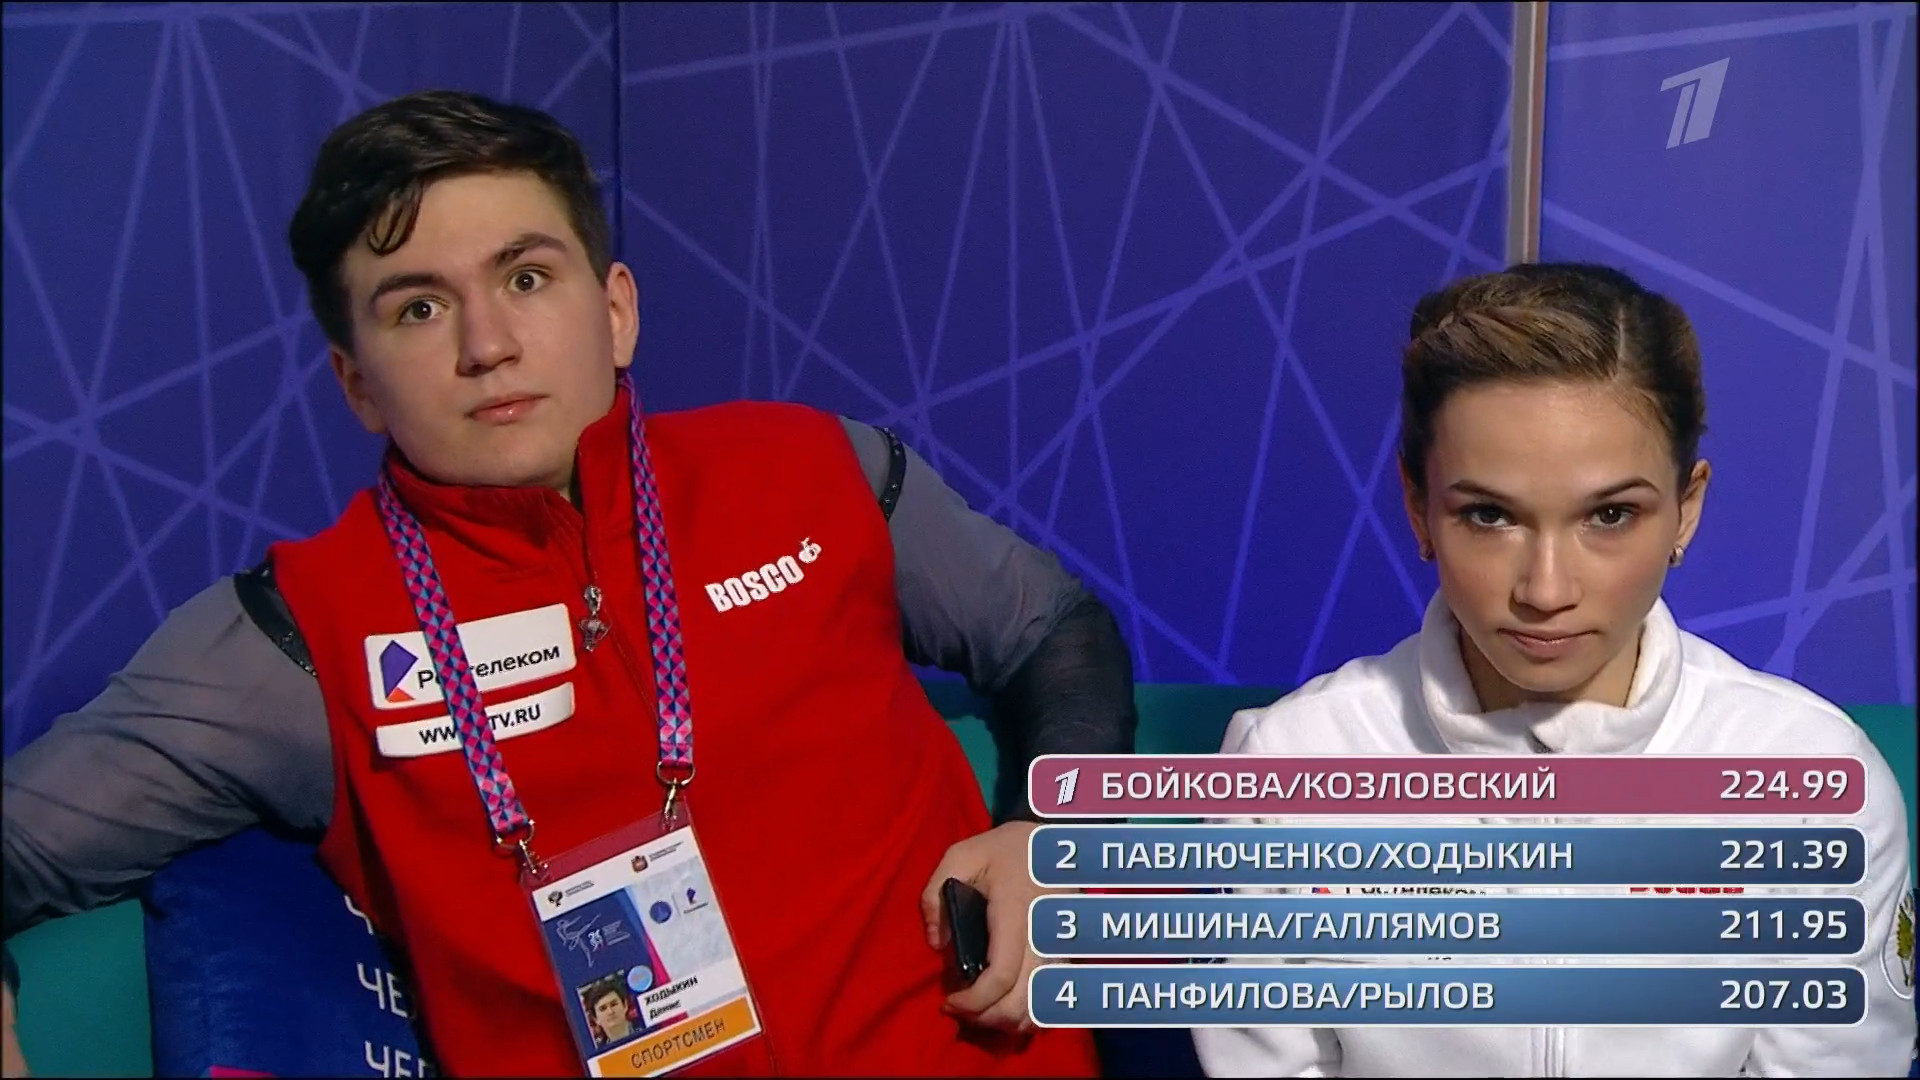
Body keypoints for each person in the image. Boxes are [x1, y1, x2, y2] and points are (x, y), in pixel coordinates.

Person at [1, 90, 1136, 1077]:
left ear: (616, 308)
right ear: (356, 384)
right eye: (418, 307)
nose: (487, 343)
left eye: (527, 276)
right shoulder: (294, 636)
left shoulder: (814, 468)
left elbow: (1055, 630)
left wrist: (1048, 832)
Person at [1193, 263, 1916, 1077]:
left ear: (1686, 509)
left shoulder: (1816, 785)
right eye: (1488, 515)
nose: (1545, 591)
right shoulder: (1286, 770)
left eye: (1610, 515)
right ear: (1418, 506)